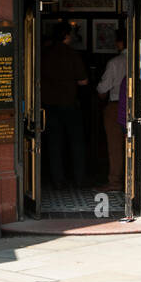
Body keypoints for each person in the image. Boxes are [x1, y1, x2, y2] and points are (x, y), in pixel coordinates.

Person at [41, 21, 88, 188]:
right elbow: (83, 81)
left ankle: (57, 180)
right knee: (76, 143)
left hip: (49, 105)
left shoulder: (45, 54)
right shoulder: (72, 54)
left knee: (54, 143)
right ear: (67, 36)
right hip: (69, 103)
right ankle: (79, 179)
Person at [96, 30, 127, 190]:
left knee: (115, 147)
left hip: (115, 105)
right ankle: (133, 181)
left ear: (120, 43)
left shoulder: (115, 62)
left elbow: (103, 88)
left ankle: (115, 181)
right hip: (134, 106)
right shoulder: (140, 59)